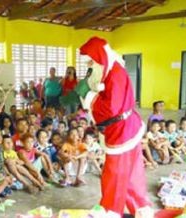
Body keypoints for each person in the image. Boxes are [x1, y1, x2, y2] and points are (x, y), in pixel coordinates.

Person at [79, 37, 152, 217]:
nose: (89, 65)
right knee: (131, 173)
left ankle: (110, 210)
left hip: (122, 131)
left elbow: (111, 108)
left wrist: (89, 97)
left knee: (115, 173)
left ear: (100, 58)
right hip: (124, 127)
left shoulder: (115, 73)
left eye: (91, 61)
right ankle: (140, 207)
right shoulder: (109, 71)